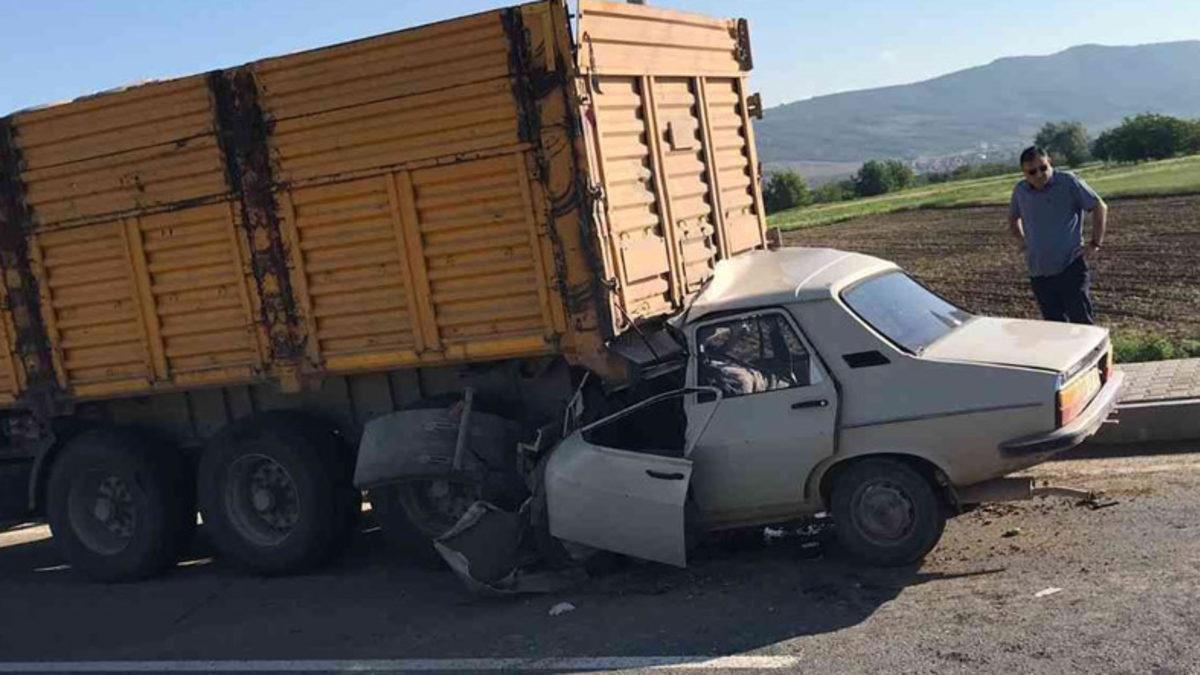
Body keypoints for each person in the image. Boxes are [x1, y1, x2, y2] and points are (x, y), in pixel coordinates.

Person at [1008, 146, 1108, 324]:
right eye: (1032, 171)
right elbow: (1013, 218)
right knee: (1055, 327)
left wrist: (1095, 243)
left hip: (1070, 266)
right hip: (1039, 272)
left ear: (1050, 163)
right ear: (1024, 173)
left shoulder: (1068, 182)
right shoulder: (1020, 191)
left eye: (1043, 168)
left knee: (1082, 324)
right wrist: (1022, 242)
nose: (1039, 174)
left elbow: (1099, 206)